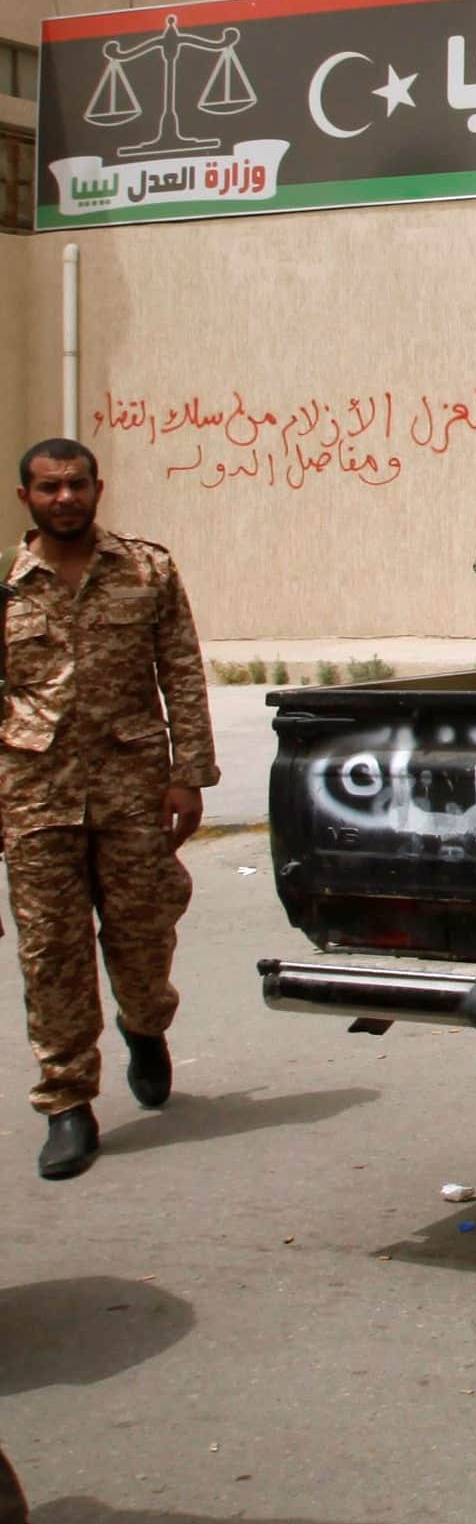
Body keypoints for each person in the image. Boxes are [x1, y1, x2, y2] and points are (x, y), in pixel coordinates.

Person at [3, 439, 217, 1180]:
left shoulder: (146, 569)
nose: (65, 497)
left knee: (143, 929)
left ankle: (146, 1022)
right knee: (51, 952)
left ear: (99, 488)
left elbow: (181, 671)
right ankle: (66, 1102)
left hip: (132, 783)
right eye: (49, 487)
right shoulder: (5, 581)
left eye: (77, 484)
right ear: (25, 497)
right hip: (34, 793)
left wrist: (189, 773)